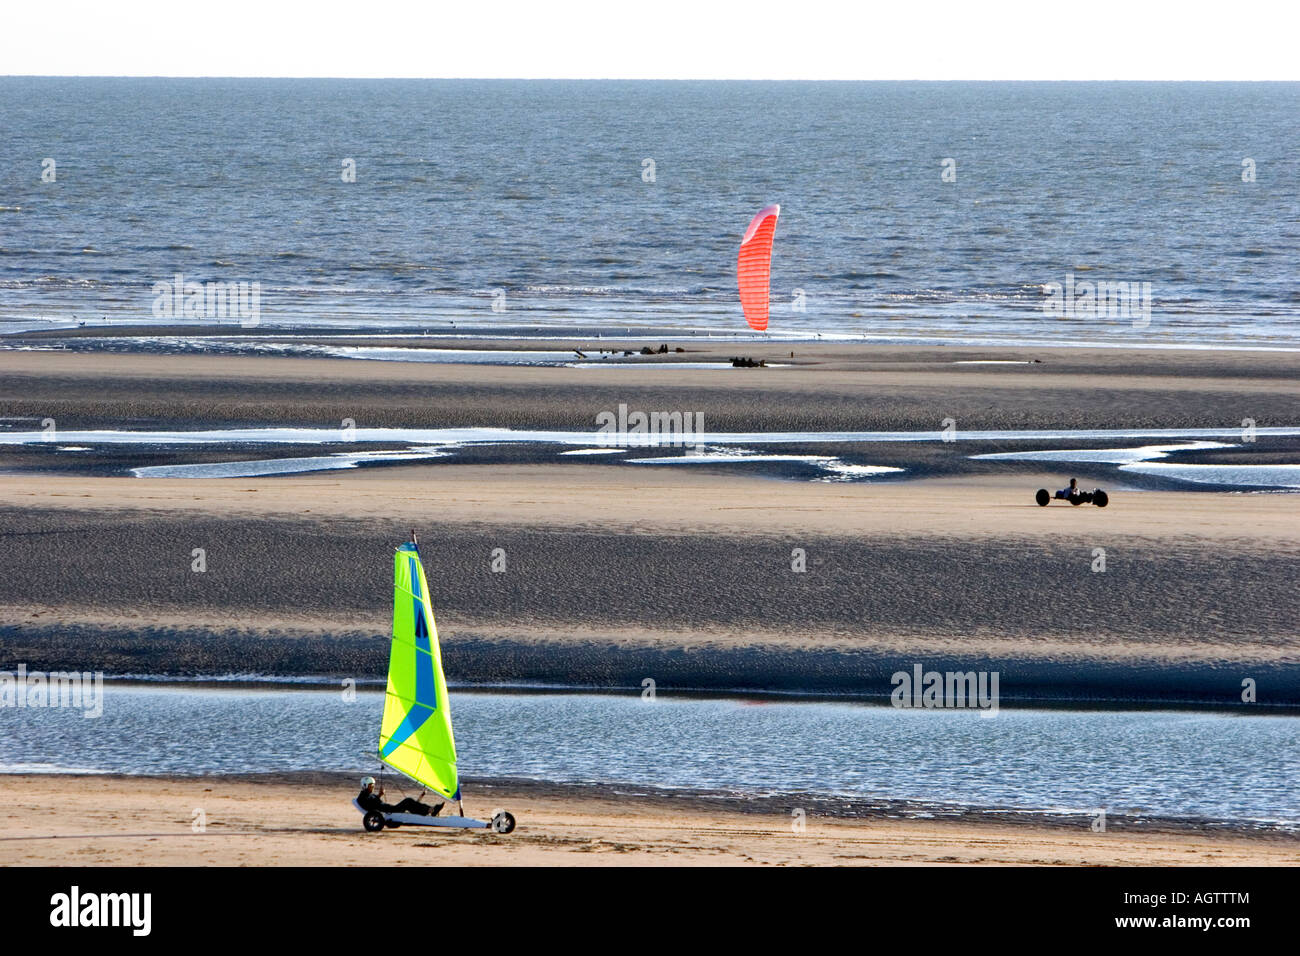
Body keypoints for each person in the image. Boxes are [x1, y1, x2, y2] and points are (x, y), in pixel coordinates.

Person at [357, 776, 443, 816]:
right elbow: (371, 806)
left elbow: (373, 802)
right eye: (370, 786)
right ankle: (430, 810)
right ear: (364, 786)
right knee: (408, 801)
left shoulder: (368, 795)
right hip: (390, 810)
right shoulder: (362, 798)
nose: (372, 788)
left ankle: (430, 810)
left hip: (390, 808)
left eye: (373, 786)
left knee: (411, 804)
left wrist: (379, 795)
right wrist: (379, 795)